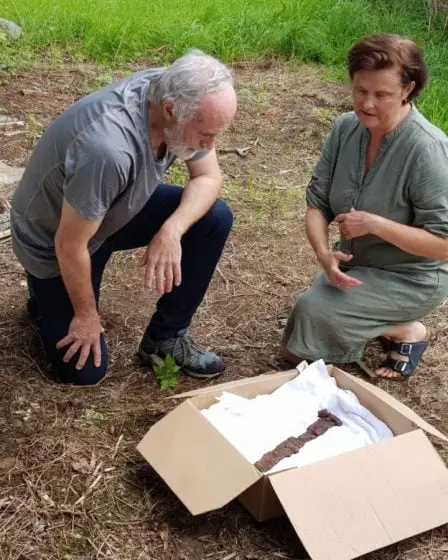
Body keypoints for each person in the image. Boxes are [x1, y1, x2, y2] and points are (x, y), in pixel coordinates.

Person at [10, 49, 237, 386]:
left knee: (213, 217)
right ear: (171, 110)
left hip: (113, 207)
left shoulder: (185, 93)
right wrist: (86, 316)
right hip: (57, 238)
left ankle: (166, 338)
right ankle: (44, 300)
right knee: (84, 372)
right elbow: (69, 244)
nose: (210, 144)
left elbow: (208, 177)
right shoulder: (108, 149)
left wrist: (171, 230)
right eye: (206, 135)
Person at [281, 34, 448, 380]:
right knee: (305, 327)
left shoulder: (427, 150)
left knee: (304, 334)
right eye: (360, 90)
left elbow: (444, 245)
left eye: (382, 94)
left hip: (412, 277)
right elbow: (317, 202)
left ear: (408, 90)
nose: (367, 104)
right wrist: (323, 252)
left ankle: (406, 330)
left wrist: (375, 224)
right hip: (359, 266)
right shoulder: (344, 129)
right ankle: (381, 323)